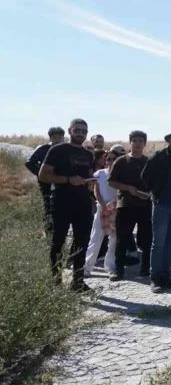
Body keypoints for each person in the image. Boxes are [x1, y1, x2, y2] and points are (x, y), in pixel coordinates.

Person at [38, 119, 95, 291]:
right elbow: (43, 175)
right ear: (70, 131)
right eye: (77, 130)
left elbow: (88, 175)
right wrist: (68, 180)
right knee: (58, 241)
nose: (80, 133)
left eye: (84, 131)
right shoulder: (58, 150)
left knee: (81, 242)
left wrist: (92, 182)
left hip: (83, 203)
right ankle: (55, 282)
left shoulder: (88, 154)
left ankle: (77, 281)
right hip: (62, 201)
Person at [141, 126, 171, 293]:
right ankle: (155, 278)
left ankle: (166, 276)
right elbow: (145, 176)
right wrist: (156, 192)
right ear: (169, 140)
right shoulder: (159, 156)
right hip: (162, 204)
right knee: (158, 243)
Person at [108, 130, 152, 281]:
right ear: (130, 142)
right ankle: (118, 271)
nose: (138, 143)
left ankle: (145, 270)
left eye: (141, 140)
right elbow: (111, 181)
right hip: (125, 205)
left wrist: (148, 193)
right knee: (122, 239)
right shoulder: (121, 161)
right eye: (135, 140)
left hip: (145, 205)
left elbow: (155, 183)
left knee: (146, 239)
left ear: (144, 143)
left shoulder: (148, 162)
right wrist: (128, 188)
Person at [85, 146, 125, 276]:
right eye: (108, 159)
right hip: (102, 208)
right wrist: (102, 204)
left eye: (114, 159)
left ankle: (110, 266)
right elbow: (96, 190)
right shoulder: (100, 173)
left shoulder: (121, 174)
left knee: (114, 239)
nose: (111, 161)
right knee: (96, 236)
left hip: (116, 209)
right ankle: (87, 266)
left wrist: (115, 204)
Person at [26, 126, 65, 231]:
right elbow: (29, 163)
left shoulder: (66, 150)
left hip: (62, 182)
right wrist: (40, 174)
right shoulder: (43, 149)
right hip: (46, 182)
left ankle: (61, 230)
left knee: (63, 206)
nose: (57, 139)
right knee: (48, 205)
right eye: (55, 137)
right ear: (51, 138)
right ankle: (48, 232)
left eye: (60, 137)